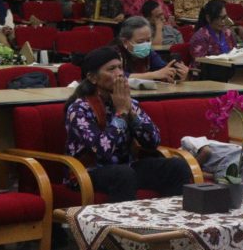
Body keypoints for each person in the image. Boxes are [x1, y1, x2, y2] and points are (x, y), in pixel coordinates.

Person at [64, 46, 193, 203]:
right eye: (111, 69)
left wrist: (132, 114)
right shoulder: (79, 108)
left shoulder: (127, 102)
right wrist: (120, 114)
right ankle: (123, 220)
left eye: (120, 67)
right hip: (88, 172)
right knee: (123, 174)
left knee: (176, 166)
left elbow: (153, 141)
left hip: (127, 167)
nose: (119, 73)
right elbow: (102, 151)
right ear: (92, 78)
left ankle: (171, 215)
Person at [111, 16, 187, 82]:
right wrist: (153, 75)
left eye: (148, 40)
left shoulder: (149, 53)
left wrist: (175, 74)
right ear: (125, 42)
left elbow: (163, 70)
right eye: (140, 41)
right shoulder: (113, 53)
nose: (145, 45)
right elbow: (116, 76)